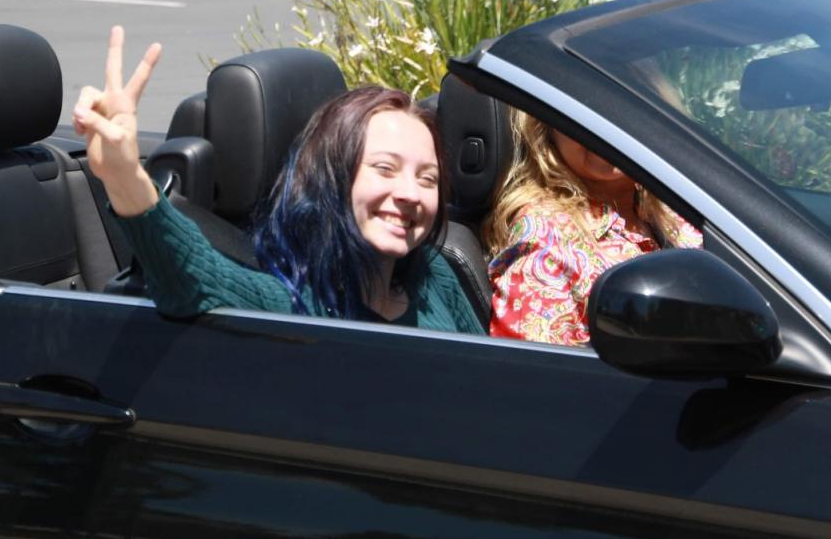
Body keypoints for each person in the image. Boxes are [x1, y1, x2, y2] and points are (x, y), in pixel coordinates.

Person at [72, 26, 482, 333]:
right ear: (333, 178)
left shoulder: (434, 277)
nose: (410, 193)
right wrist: (123, 172)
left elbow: (494, 383)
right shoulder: (287, 303)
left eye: (427, 179)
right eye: (385, 169)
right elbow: (191, 275)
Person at [485, 109, 701, 345]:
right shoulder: (545, 239)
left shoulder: (674, 207)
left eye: (620, 110)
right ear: (547, 127)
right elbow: (538, 372)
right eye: (583, 112)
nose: (604, 127)